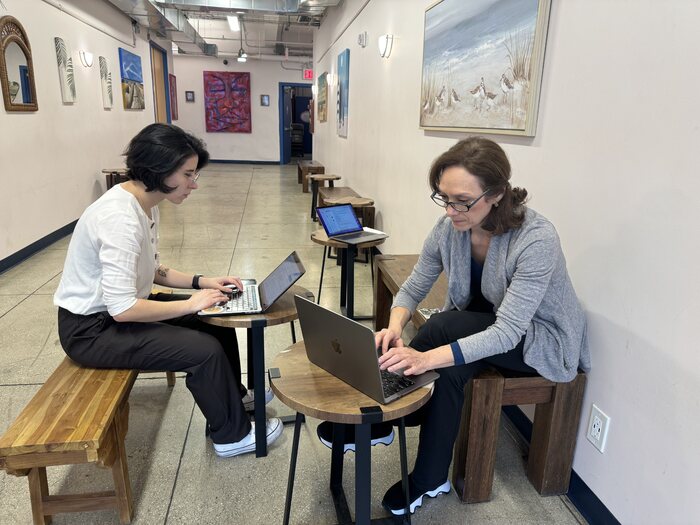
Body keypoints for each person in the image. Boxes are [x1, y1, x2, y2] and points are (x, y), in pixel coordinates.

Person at [372, 137, 591, 515]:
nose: (450, 209)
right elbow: (415, 284)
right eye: (442, 197)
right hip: (483, 325)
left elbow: (507, 332)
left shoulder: (536, 238)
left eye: (461, 200)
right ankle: (430, 476)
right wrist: (393, 326)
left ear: (497, 194)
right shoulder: (451, 227)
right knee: (450, 366)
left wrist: (423, 360)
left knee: (443, 329)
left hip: (540, 340)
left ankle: (395, 409)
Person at [54, 123, 282, 458]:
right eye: (188, 175)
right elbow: (123, 309)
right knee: (203, 350)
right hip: (92, 330)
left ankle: (234, 397)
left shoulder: (144, 203)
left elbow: (152, 268)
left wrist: (202, 283)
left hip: (119, 312)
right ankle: (232, 436)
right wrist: (190, 304)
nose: (194, 185)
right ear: (159, 170)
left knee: (213, 315)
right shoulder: (119, 218)